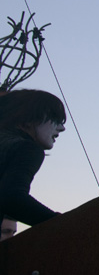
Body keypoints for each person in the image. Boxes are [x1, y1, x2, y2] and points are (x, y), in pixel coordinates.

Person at [0, 89, 65, 225]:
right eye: (56, 118)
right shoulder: (26, 148)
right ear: (29, 118)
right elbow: (12, 197)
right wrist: (62, 224)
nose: (61, 128)